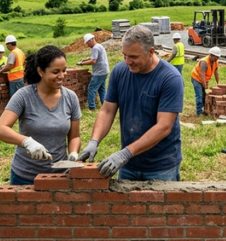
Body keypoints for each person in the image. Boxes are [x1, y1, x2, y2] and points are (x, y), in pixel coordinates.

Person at [78, 25, 184, 181]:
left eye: (133, 57)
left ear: (151, 52)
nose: (128, 62)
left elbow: (164, 127)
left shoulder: (170, 78)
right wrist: (94, 141)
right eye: (124, 55)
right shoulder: (119, 72)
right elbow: (107, 110)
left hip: (160, 166)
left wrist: (125, 154)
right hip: (129, 165)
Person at [0, 46, 81, 185]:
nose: (61, 76)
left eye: (64, 70)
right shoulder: (24, 96)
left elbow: (74, 136)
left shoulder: (70, 98)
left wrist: (73, 153)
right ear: (40, 71)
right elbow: (0, 129)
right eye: (55, 72)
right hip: (25, 177)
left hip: (60, 176)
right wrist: (27, 142)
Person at [77, 33, 109, 111]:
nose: (87, 45)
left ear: (91, 40)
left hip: (99, 72)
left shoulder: (95, 48)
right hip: (104, 71)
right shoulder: (99, 46)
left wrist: (81, 63)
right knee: (101, 89)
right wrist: (85, 60)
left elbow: (93, 61)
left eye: (87, 43)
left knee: (91, 89)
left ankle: (92, 108)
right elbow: (95, 57)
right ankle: (105, 106)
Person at [190, 46, 222, 116]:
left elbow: (216, 73)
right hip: (196, 78)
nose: (217, 59)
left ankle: (205, 110)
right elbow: (202, 74)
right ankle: (199, 112)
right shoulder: (204, 62)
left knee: (205, 95)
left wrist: (218, 83)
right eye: (216, 57)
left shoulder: (215, 62)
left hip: (204, 79)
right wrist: (205, 85)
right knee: (199, 95)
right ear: (211, 55)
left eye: (218, 57)